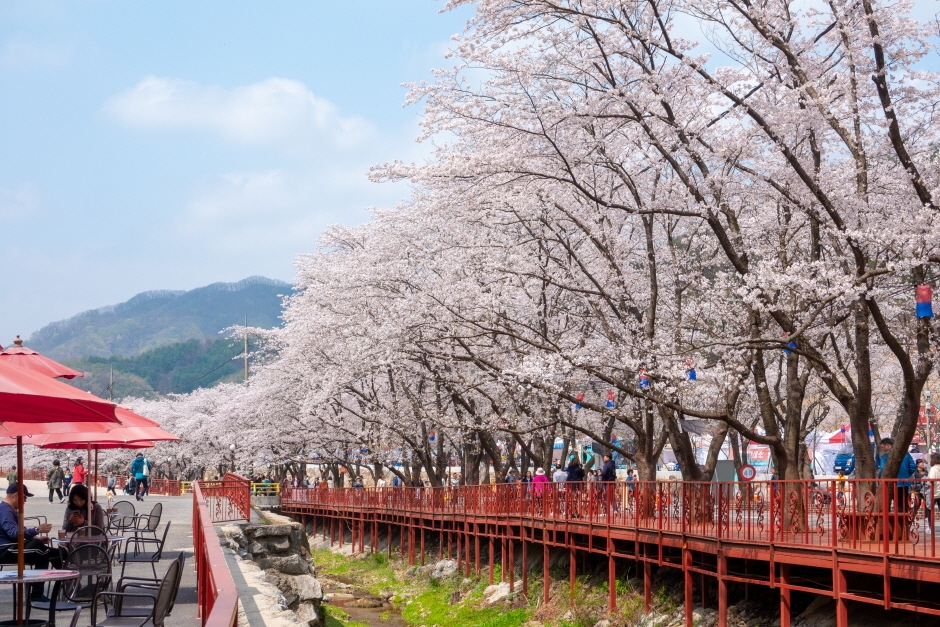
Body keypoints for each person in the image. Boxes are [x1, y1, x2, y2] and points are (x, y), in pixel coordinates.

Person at [0, 483, 57, 602]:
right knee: (42, 551)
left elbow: (20, 531)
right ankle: (36, 594)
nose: (25, 501)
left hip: (12, 547)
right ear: (16, 495)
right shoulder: (5, 511)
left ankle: (62, 560)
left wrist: (35, 537)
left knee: (49, 550)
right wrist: (37, 530)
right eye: (24, 497)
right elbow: (14, 533)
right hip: (6, 550)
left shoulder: (7, 509)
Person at [877, 437, 917, 512]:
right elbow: (913, 466)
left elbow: (883, 470)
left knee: (889, 502)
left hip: (891, 483)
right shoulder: (906, 454)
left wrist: (880, 479)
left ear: (888, 445)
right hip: (905, 482)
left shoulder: (886, 456)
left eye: (883, 447)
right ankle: (904, 521)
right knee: (904, 503)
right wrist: (906, 474)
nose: (883, 450)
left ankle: (896, 521)